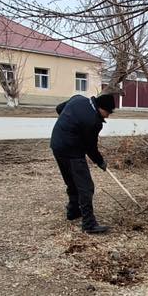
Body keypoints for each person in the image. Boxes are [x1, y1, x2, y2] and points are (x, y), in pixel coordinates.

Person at [51, 92, 117, 234]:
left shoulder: (78, 99)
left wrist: (69, 125)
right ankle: (89, 224)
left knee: (71, 181)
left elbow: (59, 108)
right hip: (72, 151)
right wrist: (100, 161)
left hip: (57, 145)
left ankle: (73, 211)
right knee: (86, 187)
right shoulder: (93, 122)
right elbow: (90, 147)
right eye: (108, 112)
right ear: (101, 108)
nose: (108, 116)